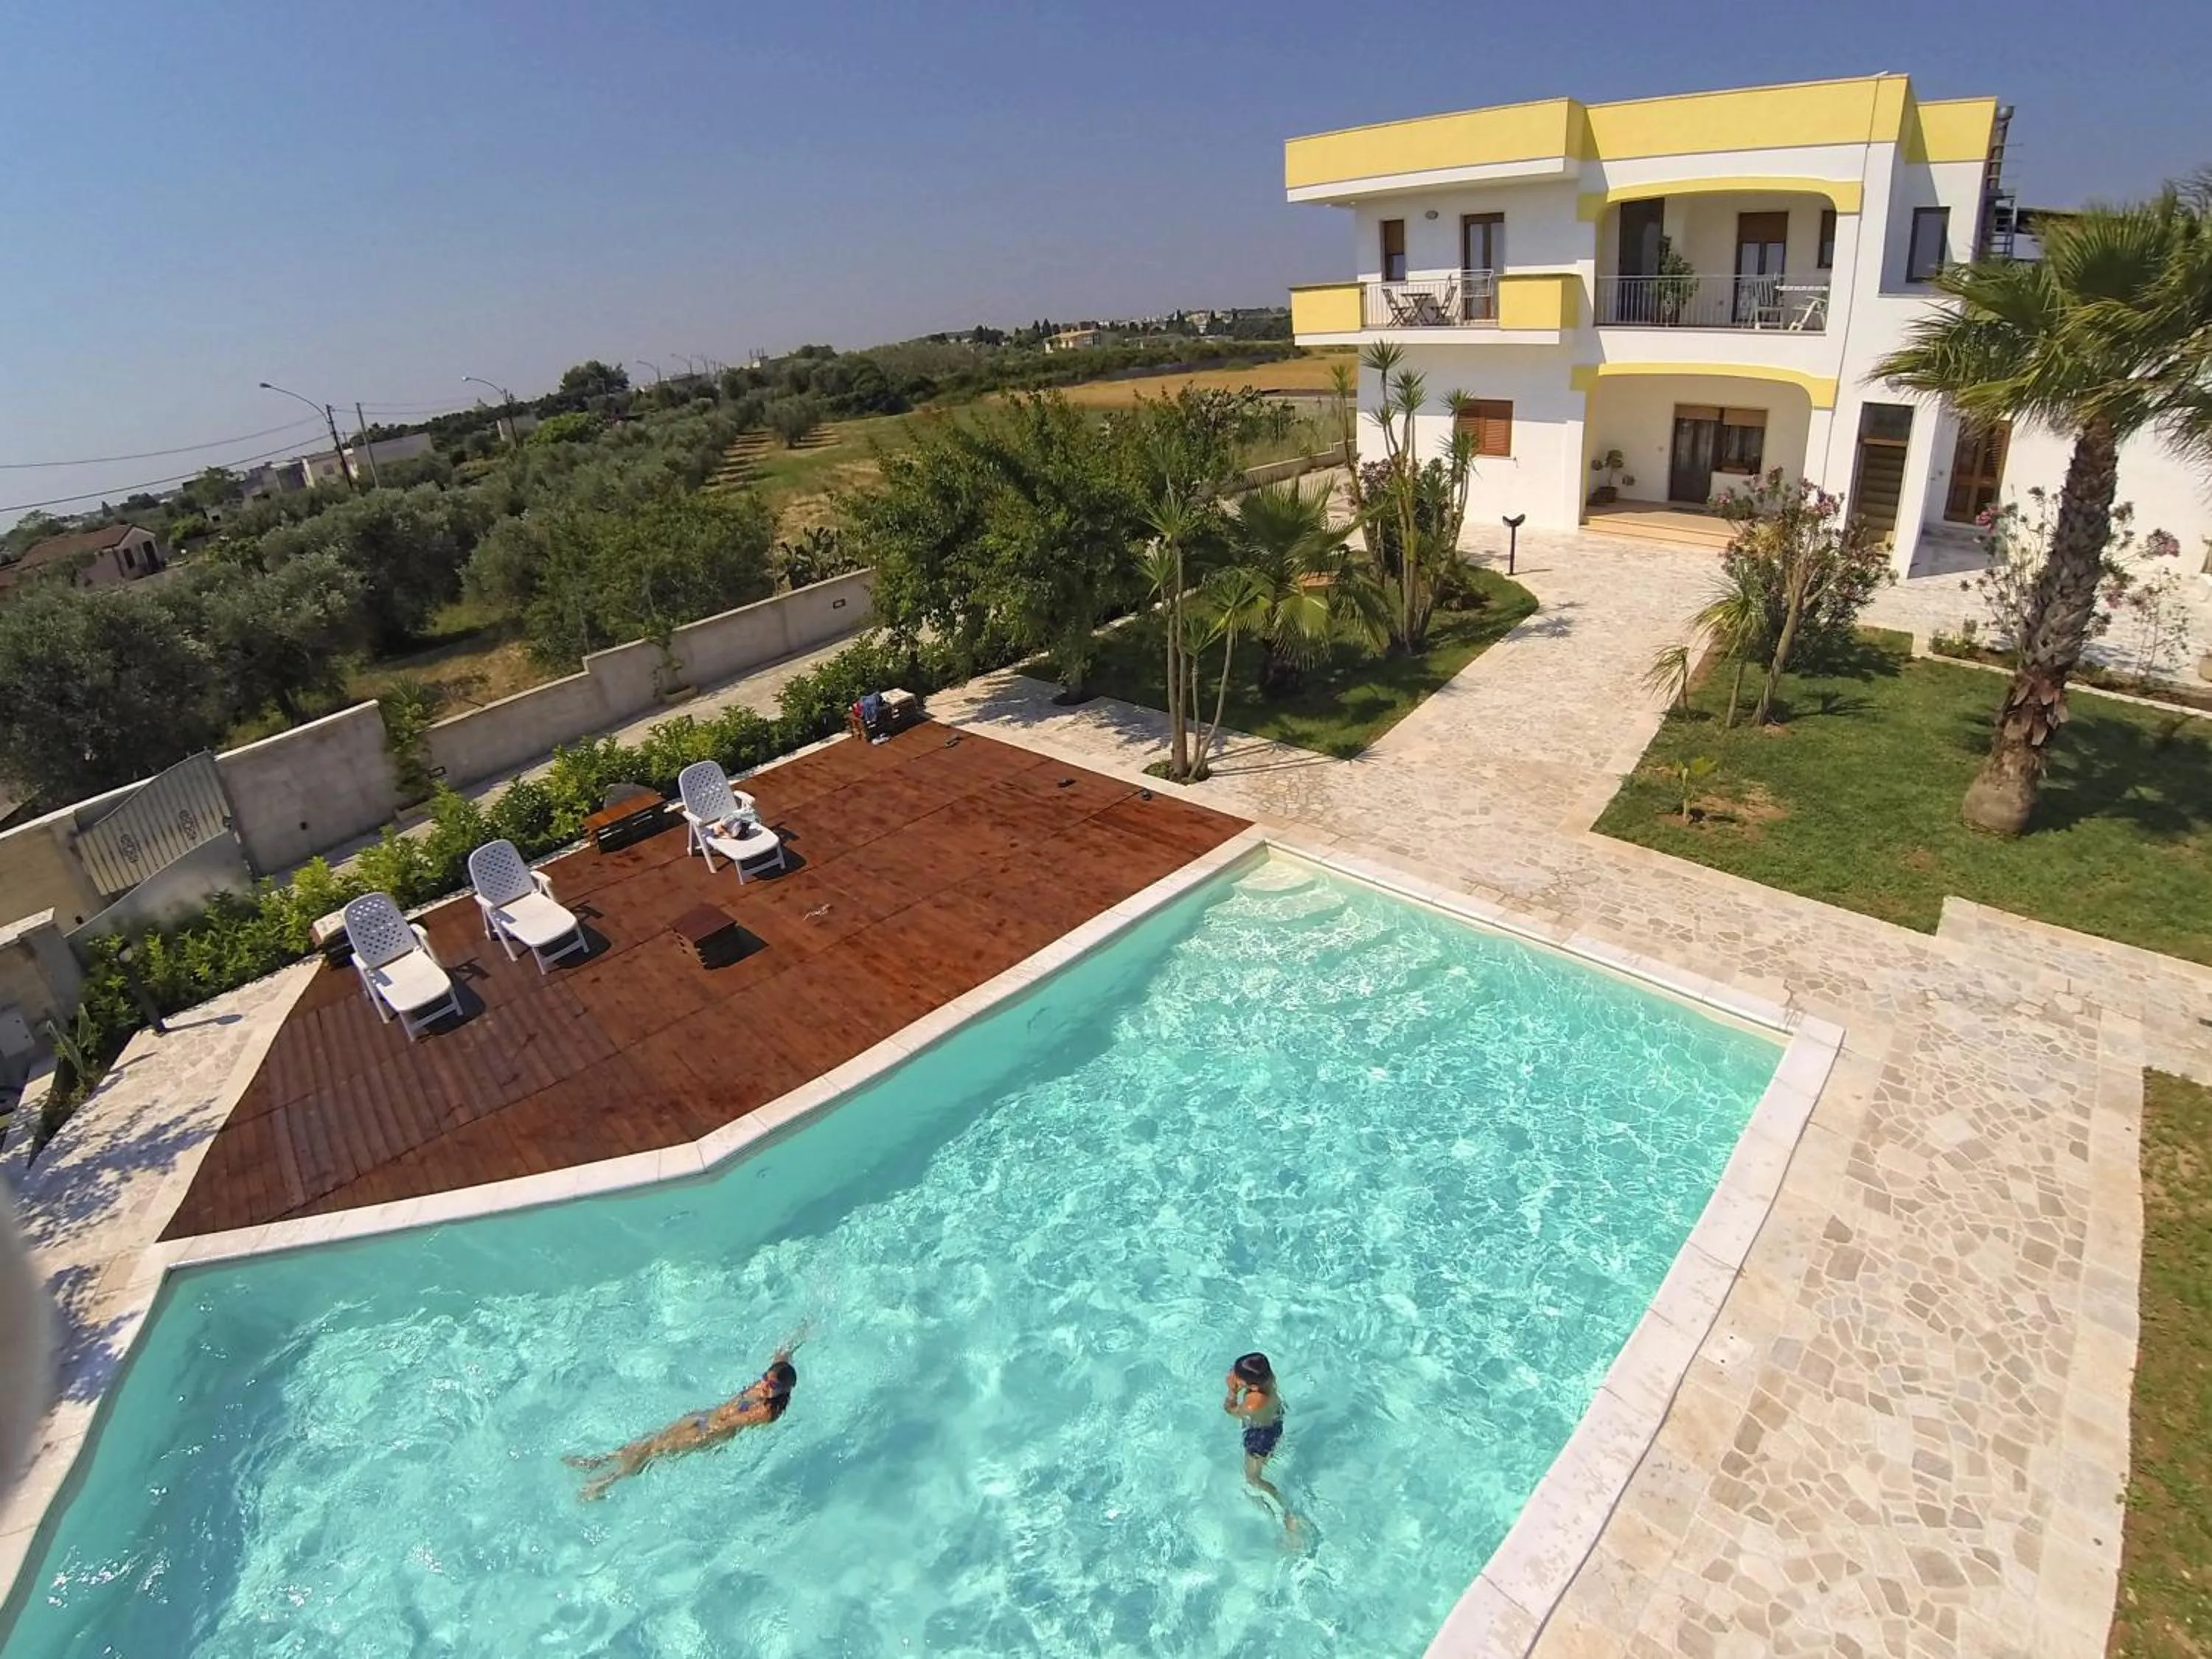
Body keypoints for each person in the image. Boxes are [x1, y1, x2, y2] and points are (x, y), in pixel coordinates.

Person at [564, 1343, 800, 1502]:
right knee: (648, 1440)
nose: (765, 1386)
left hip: (706, 1434)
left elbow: (731, 1420)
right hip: (703, 1418)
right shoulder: (769, 1383)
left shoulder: (766, 1411)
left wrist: (713, 1434)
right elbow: (782, 1356)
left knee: (652, 1451)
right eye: (766, 1379)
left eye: (772, 1386)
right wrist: (798, 1336)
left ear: (784, 1390)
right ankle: (599, 1461)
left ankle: (603, 1484)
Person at [1223, 1351, 1295, 1530]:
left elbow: (1231, 1410)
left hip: (1261, 1436)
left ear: (1253, 1387)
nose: (1234, 1377)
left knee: (1253, 1479)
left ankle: (1287, 1516)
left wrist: (1232, 1391)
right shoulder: (1267, 1377)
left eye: (1238, 1377)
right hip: (1274, 1421)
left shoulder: (1253, 1402)